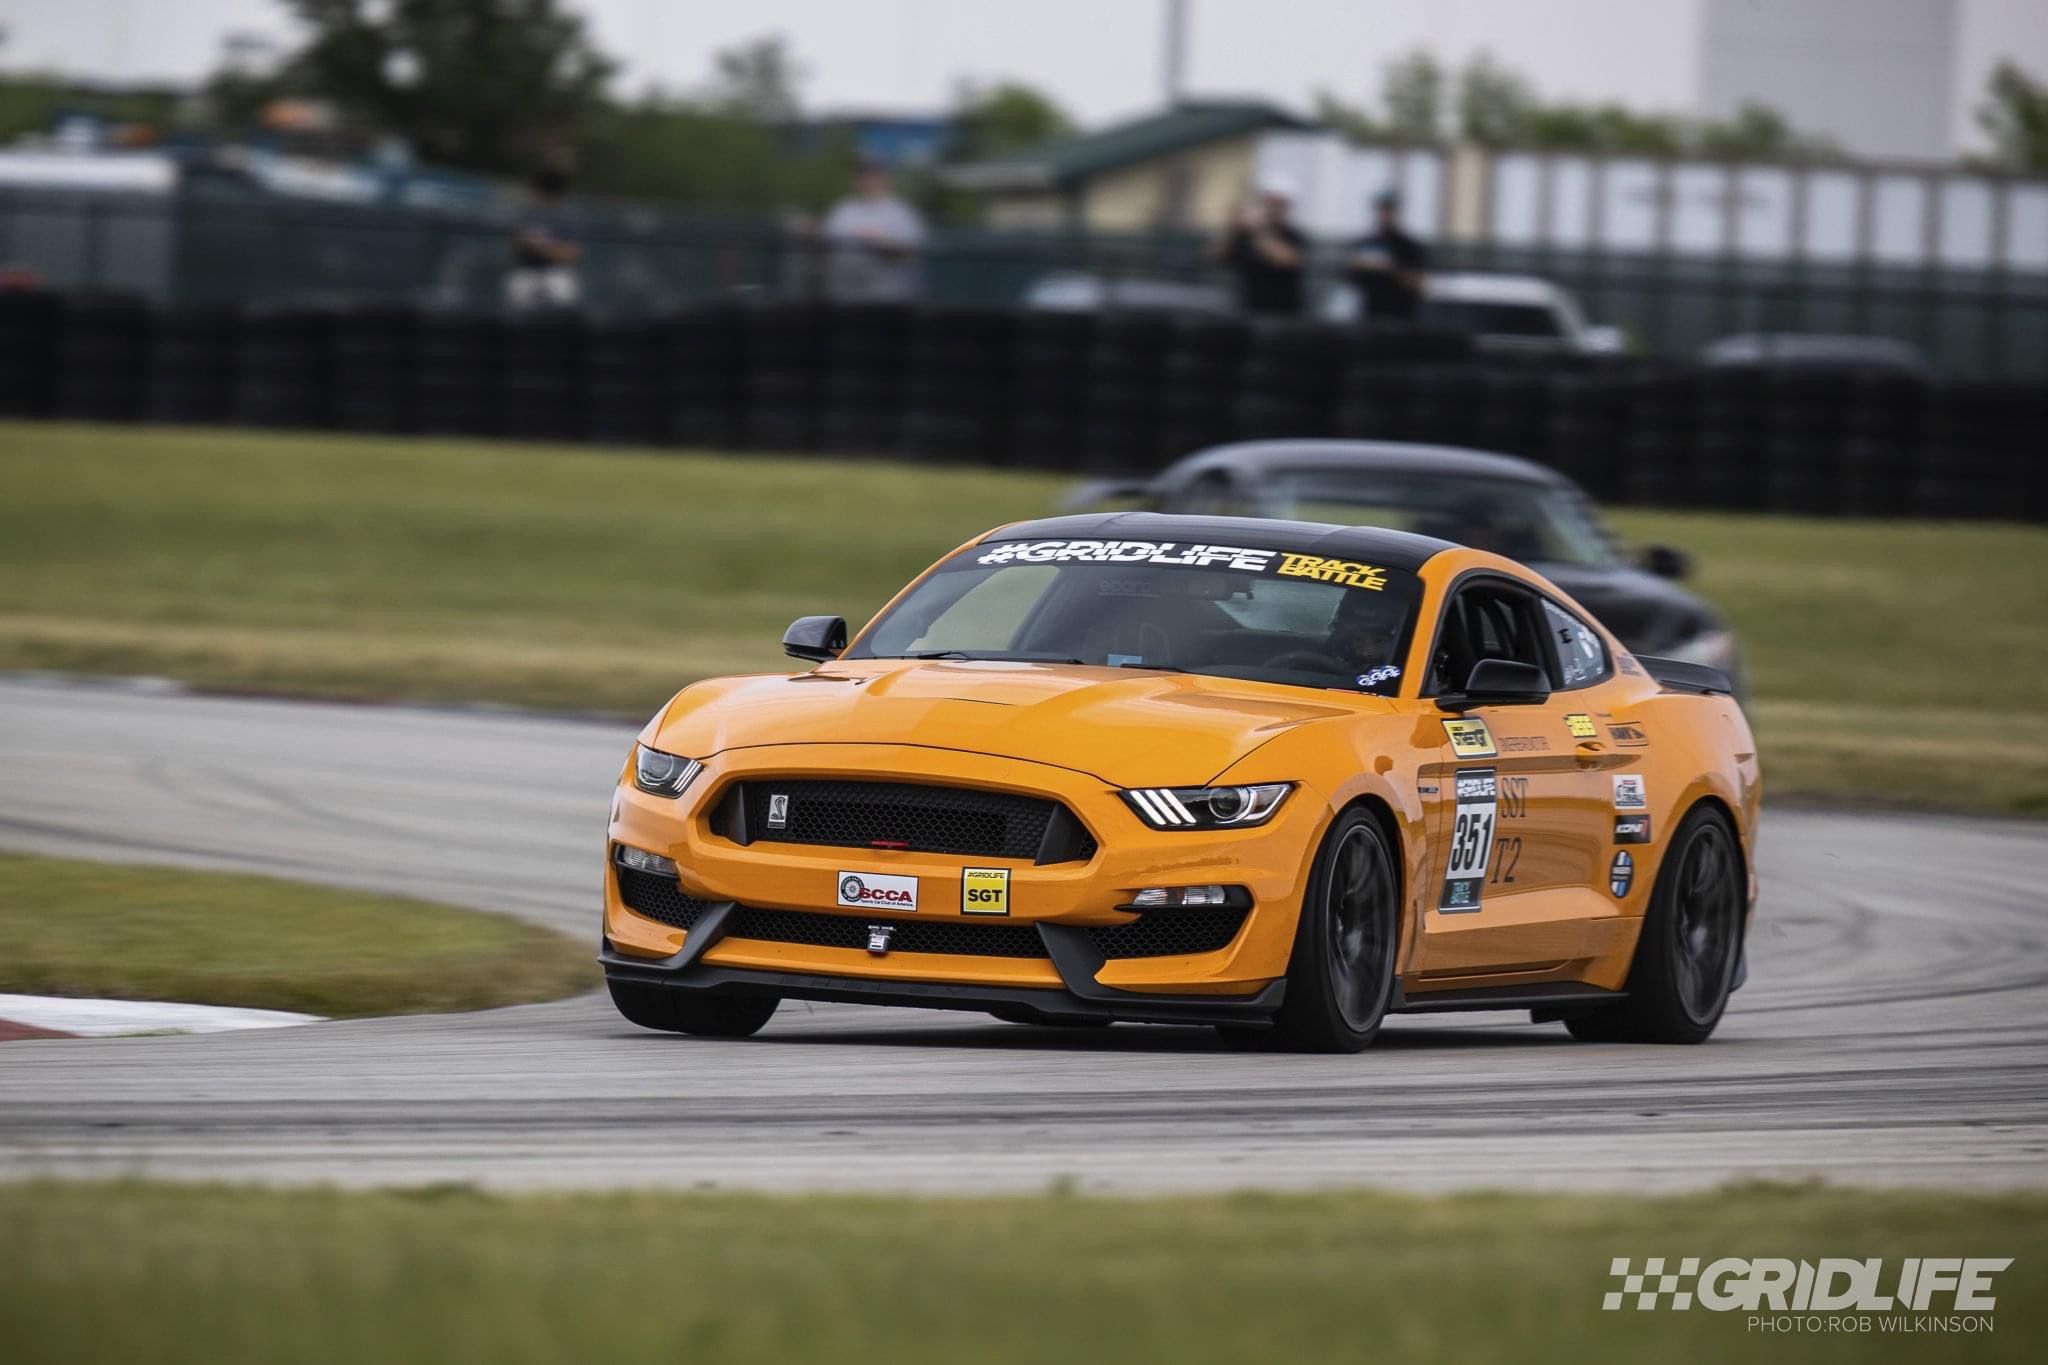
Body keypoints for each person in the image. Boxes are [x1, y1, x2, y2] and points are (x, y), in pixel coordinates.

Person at [821, 157, 927, 303]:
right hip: (845, 298)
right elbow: (824, 248)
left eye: (872, 174)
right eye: (862, 174)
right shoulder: (842, 210)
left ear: (884, 178)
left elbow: (910, 255)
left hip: (889, 298)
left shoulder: (902, 212)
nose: (867, 180)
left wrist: (881, 242)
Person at [1214, 172, 1307, 316]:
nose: (1273, 209)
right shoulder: (1244, 235)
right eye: (1269, 203)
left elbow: (1287, 260)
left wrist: (1258, 231)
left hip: (1282, 314)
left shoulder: (1293, 235)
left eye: (1278, 204)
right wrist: (1232, 227)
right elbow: (1215, 256)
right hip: (1245, 310)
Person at [505, 167, 582, 309]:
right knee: (518, 291)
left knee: (563, 293)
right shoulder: (526, 214)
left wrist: (539, 246)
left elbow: (571, 254)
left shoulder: (568, 218)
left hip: (556, 273)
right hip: (527, 271)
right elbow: (516, 243)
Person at [1346, 190, 1428, 322]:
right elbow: (1351, 279)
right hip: (1370, 312)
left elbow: (1418, 284)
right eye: (1381, 210)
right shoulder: (1365, 244)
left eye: (1388, 210)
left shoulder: (1408, 247)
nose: (1384, 215)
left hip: (1399, 312)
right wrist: (1361, 266)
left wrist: (1390, 268)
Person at [1327, 589, 1410, 692]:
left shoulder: (1408, 666)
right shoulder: (1328, 650)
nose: (1366, 648)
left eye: (1379, 641)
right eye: (1358, 640)